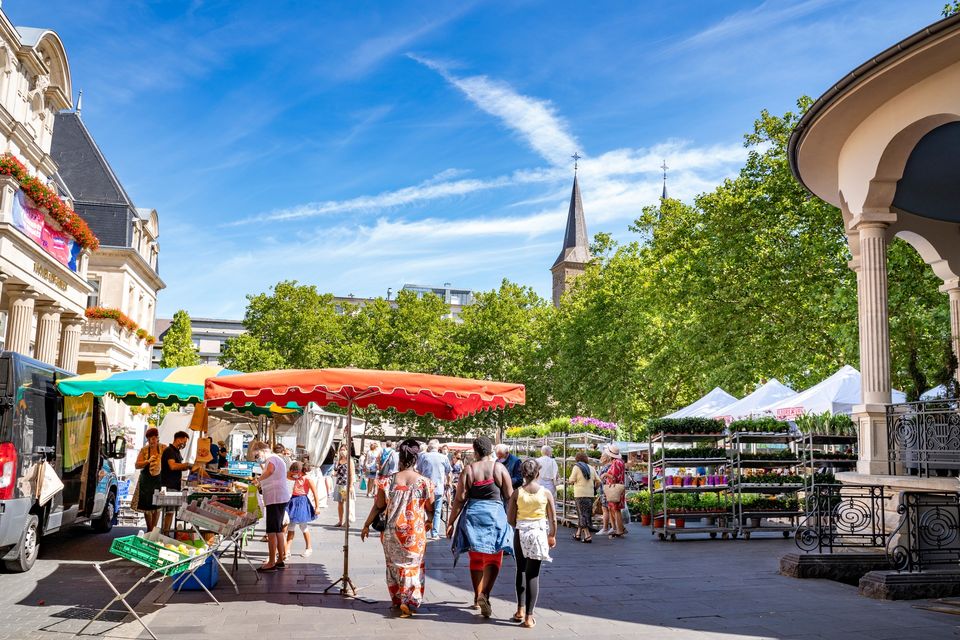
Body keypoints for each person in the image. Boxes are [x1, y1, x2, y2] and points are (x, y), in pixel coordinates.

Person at [361, 439, 435, 618]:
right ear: (416, 458)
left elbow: (378, 506)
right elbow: (430, 508)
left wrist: (366, 524)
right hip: (414, 533)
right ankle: (409, 601)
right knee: (412, 566)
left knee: (394, 566)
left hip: (391, 532)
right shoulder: (425, 482)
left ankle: (397, 598)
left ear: (400, 458)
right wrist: (429, 521)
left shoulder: (386, 481)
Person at [448, 436, 514, 619]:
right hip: (495, 516)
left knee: (476, 556)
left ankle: (477, 597)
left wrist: (450, 521)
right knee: (494, 556)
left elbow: (459, 499)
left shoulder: (468, 470)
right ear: (491, 450)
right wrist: (514, 520)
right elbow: (509, 495)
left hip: (473, 516)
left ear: (475, 451)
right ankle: (486, 593)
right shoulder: (499, 468)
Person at [507, 459, 557, 630]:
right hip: (538, 533)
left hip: (520, 532)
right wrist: (552, 535)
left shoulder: (517, 493)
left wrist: (521, 524)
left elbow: (510, 519)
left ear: (522, 474)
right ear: (538, 474)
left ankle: (520, 610)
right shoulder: (546, 493)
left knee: (520, 570)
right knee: (533, 575)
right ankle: (529, 617)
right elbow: (553, 518)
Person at [251, 440, 290, 571]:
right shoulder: (277, 459)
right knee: (278, 530)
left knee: (272, 531)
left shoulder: (272, 458)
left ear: (262, 451)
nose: (257, 458)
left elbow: (270, 471)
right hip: (279, 497)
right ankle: (279, 560)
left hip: (275, 498)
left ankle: (272, 562)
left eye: (257, 455)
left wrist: (258, 480)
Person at [415, 439, 451, 539]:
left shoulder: (424, 456)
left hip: (425, 488)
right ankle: (435, 533)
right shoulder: (444, 457)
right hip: (439, 487)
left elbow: (419, 470)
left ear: (429, 447)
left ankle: (422, 531)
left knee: (423, 509)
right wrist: (448, 482)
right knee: (437, 511)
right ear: (438, 447)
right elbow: (448, 472)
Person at [161, 431, 194, 535]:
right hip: (169, 485)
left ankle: (166, 533)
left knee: (171, 512)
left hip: (175, 485)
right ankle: (165, 534)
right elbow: (173, 466)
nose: (184, 444)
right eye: (184, 442)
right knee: (169, 512)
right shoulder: (169, 451)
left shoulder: (177, 452)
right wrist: (187, 465)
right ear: (178, 439)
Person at [286, 461, 320, 557]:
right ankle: (287, 549)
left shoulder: (307, 479)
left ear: (300, 471)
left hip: (302, 501)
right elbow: (287, 475)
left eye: (295, 472)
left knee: (303, 526)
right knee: (291, 526)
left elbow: (315, 492)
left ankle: (309, 547)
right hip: (294, 500)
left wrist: (317, 507)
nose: (293, 474)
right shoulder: (297, 477)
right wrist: (293, 472)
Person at [133, 427, 163, 532]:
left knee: (157, 505)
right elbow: (137, 465)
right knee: (147, 506)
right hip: (146, 481)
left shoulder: (163, 448)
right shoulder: (144, 450)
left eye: (154, 438)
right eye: (150, 438)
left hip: (159, 481)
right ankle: (149, 529)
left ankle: (154, 529)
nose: (152, 441)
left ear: (158, 438)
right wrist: (147, 461)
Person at [568, 452, 598, 543]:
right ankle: (578, 534)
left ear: (577, 459)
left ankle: (588, 536)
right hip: (590, 494)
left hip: (580, 494)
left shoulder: (576, 467)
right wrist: (594, 489)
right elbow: (599, 481)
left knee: (582, 515)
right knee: (585, 514)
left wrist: (568, 481)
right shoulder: (591, 468)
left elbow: (572, 480)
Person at [602, 445, 627, 538]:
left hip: (615, 488)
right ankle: (621, 528)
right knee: (616, 509)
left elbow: (614, 477)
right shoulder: (620, 462)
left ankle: (620, 530)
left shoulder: (616, 462)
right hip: (618, 488)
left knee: (616, 510)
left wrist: (605, 474)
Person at [333, 445, 356, 527]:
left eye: (344, 450)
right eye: (341, 450)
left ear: (347, 451)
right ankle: (340, 521)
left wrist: (350, 486)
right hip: (339, 484)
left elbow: (352, 474)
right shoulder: (339, 460)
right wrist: (335, 473)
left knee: (347, 503)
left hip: (345, 485)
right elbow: (337, 471)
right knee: (340, 503)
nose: (342, 451)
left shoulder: (349, 460)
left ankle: (347, 521)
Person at [597, 451, 613, 535]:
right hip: (609, 490)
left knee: (605, 509)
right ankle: (612, 527)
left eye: (602, 457)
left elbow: (601, 480)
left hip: (605, 490)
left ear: (606, 458)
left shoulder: (606, 467)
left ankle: (605, 528)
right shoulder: (610, 466)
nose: (600, 458)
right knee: (609, 509)